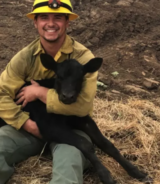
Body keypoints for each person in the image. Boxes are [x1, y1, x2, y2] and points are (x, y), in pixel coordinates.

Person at [0, 0, 98, 183]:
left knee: (68, 165)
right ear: (35, 22)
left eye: (58, 18)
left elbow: (82, 106)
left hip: (71, 129)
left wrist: (39, 93)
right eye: (44, 17)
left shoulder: (83, 58)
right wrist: (27, 124)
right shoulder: (24, 57)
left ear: (67, 22)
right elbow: (1, 94)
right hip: (32, 127)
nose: (51, 24)